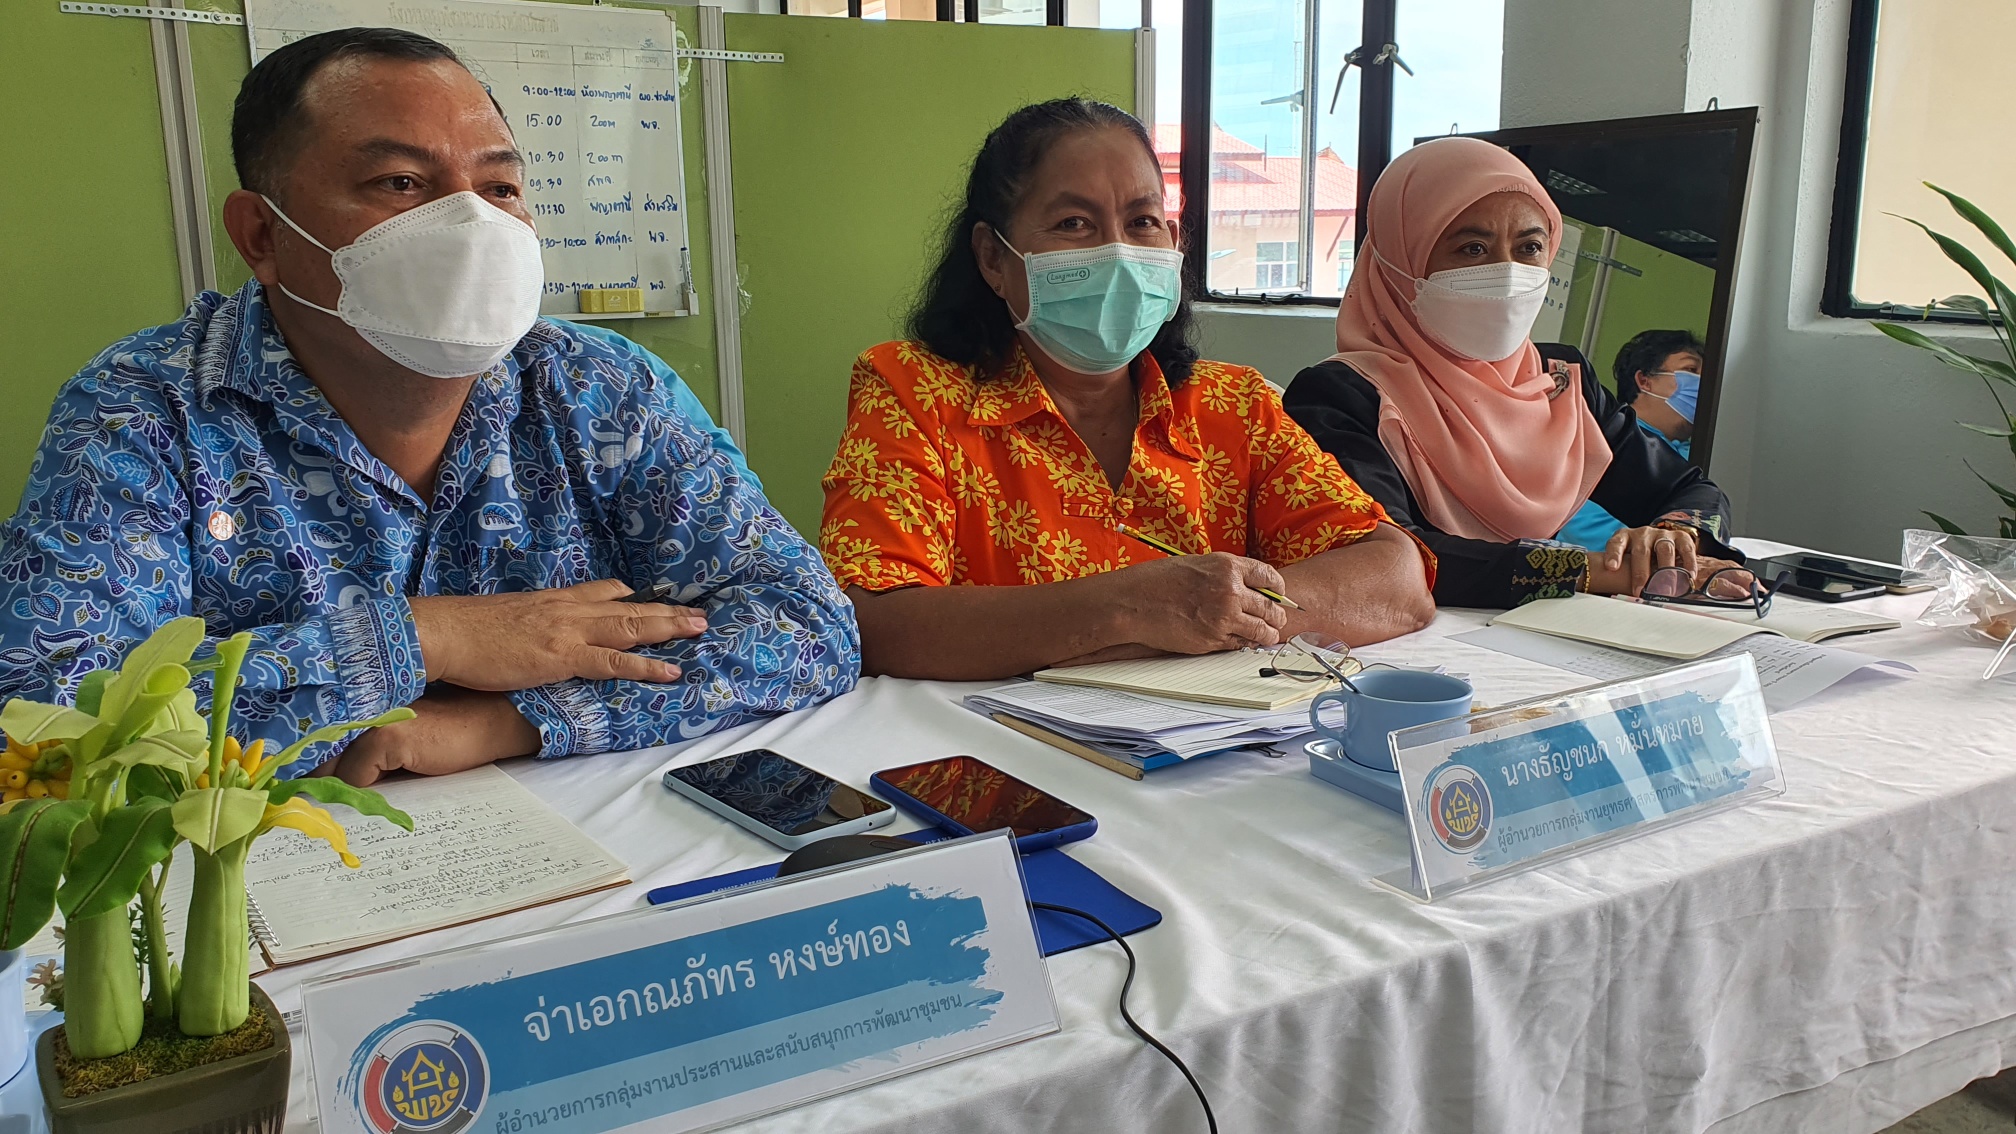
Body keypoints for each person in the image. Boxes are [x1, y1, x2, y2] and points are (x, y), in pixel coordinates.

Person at [0, 28, 858, 784]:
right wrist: (426, 638)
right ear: (262, 234)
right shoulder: (146, 410)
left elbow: (807, 623)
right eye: (402, 182)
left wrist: (507, 723)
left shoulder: (599, 387)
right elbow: (44, 719)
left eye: (500, 188)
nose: (470, 224)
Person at [819, 98, 1436, 680]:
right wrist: (1128, 610)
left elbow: (1396, 579)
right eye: (1073, 223)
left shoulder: (1234, 405)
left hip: (1208, 740)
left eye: (1141, 221)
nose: (1116, 250)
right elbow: (872, 620)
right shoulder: (914, 391)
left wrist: (1216, 613)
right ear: (993, 259)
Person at [1282, 137, 1745, 609]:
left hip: (1548, 631)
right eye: (1472, 248)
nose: (1506, 273)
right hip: (1412, 642)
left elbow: (1688, 489)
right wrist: (1601, 571)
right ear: (1400, 260)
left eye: (1529, 247)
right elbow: (1391, 555)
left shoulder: (1559, 381)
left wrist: (1674, 539)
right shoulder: (1338, 397)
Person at [1554, 329, 1704, 550]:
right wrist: (1657, 551)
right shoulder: (1596, 435)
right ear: (1644, 380)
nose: (1702, 383)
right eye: (1691, 370)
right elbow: (1572, 517)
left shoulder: (1702, 457)